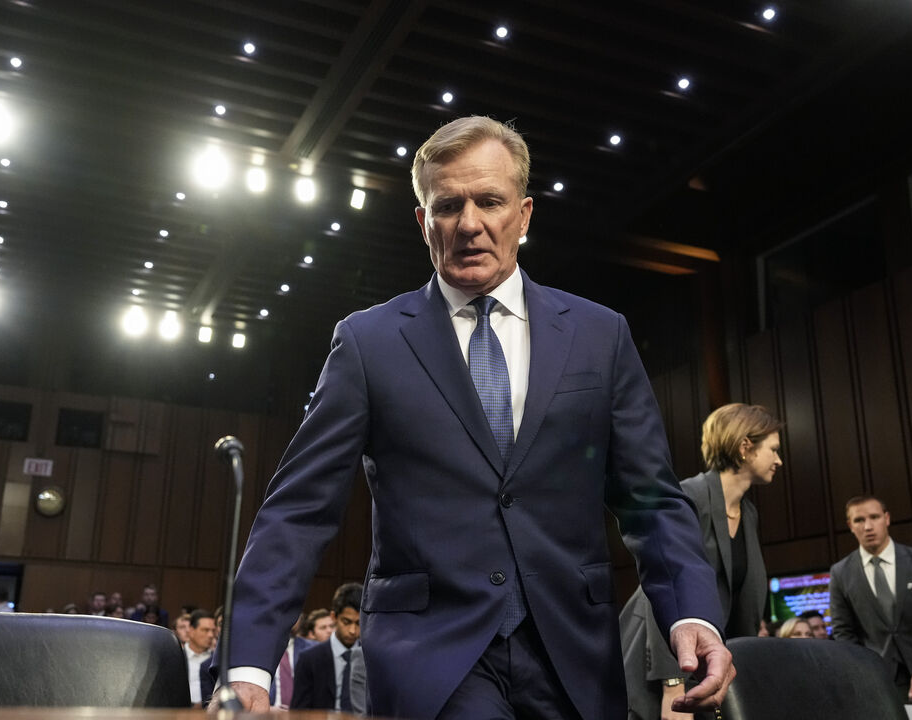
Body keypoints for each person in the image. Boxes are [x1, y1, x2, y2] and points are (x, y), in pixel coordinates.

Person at [220, 116, 732, 720]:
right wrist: (249, 664)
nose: (469, 224)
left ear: (525, 214)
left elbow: (651, 499)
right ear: (423, 222)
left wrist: (692, 614)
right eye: (447, 206)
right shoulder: (368, 343)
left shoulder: (601, 336)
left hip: (574, 657)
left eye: (489, 201)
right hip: (430, 660)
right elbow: (299, 510)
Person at [621, 403, 782, 720]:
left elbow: (742, 601)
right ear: (745, 447)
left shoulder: (748, 513)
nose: (779, 460)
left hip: (702, 665)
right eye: (774, 449)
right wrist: (673, 684)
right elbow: (664, 586)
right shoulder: (688, 496)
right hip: (658, 665)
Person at [828, 496, 912, 703]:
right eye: (859, 520)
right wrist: (866, 673)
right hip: (880, 686)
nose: (868, 526)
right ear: (850, 526)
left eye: (874, 517)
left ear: (887, 518)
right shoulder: (840, 573)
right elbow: (843, 633)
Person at [289, 583, 362, 711]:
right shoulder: (310, 659)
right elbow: (299, 711)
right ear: (334, 617)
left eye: (359, 623)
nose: (352, 630)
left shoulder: (371, 658)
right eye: (346, 622)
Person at [184, 610, 217, 706]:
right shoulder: (176, 657)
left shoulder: (216, 661)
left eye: (213, 631)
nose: (211, 635)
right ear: (191, 631)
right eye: (205, 630)